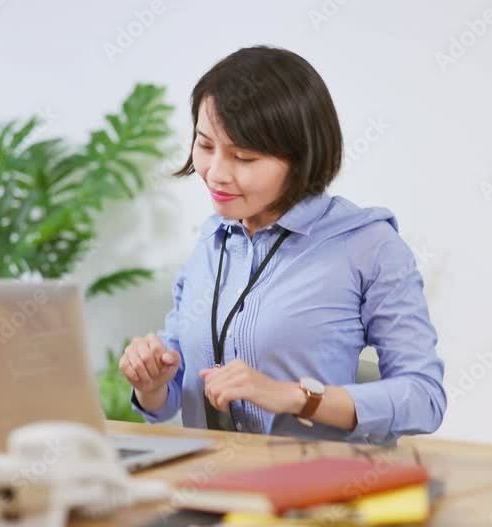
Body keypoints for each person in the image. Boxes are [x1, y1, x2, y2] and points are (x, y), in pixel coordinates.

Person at [119, 45, 446, 445]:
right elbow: (169, 397)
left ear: (302, 159)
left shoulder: (367, 245)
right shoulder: (212, 240)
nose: (215, 173)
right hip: (212, 487)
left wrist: (295, 397)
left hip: (319, 495)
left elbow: (424, 398)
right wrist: (150, 382)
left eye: (244, 157)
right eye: (205, 146)